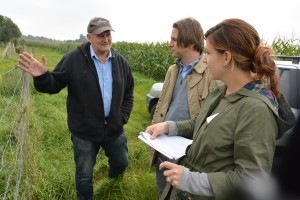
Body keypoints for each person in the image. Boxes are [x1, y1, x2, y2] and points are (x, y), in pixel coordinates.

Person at [145, 18, 295, 200]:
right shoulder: (220, 91)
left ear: (226, 57)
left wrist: (191, 180)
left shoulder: (255, 110)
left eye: (208, 53)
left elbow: (251, 179)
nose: (205, 59)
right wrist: (168, 127)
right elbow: (200, 123)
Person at [18, 17, 134, 200]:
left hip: (114, 129)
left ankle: (112, 187)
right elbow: (54, 85)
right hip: (84, 133)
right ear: (89, 37)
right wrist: (42, 77)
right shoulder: (73, 59)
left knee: (121, 163)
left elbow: (129, 92)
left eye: (108, 34)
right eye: (100, 35)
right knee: (84, 175)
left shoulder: (121, 62)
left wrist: (122, 117)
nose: (105, 39)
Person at [149, 17, 213, 198]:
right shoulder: (172, 70)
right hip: (164, 144)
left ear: (191, 41)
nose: (170, 44)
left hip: (190, 151)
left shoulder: (210, 72)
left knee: (184, 194)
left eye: (174, 39)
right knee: (163, 188)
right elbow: (162, 104)